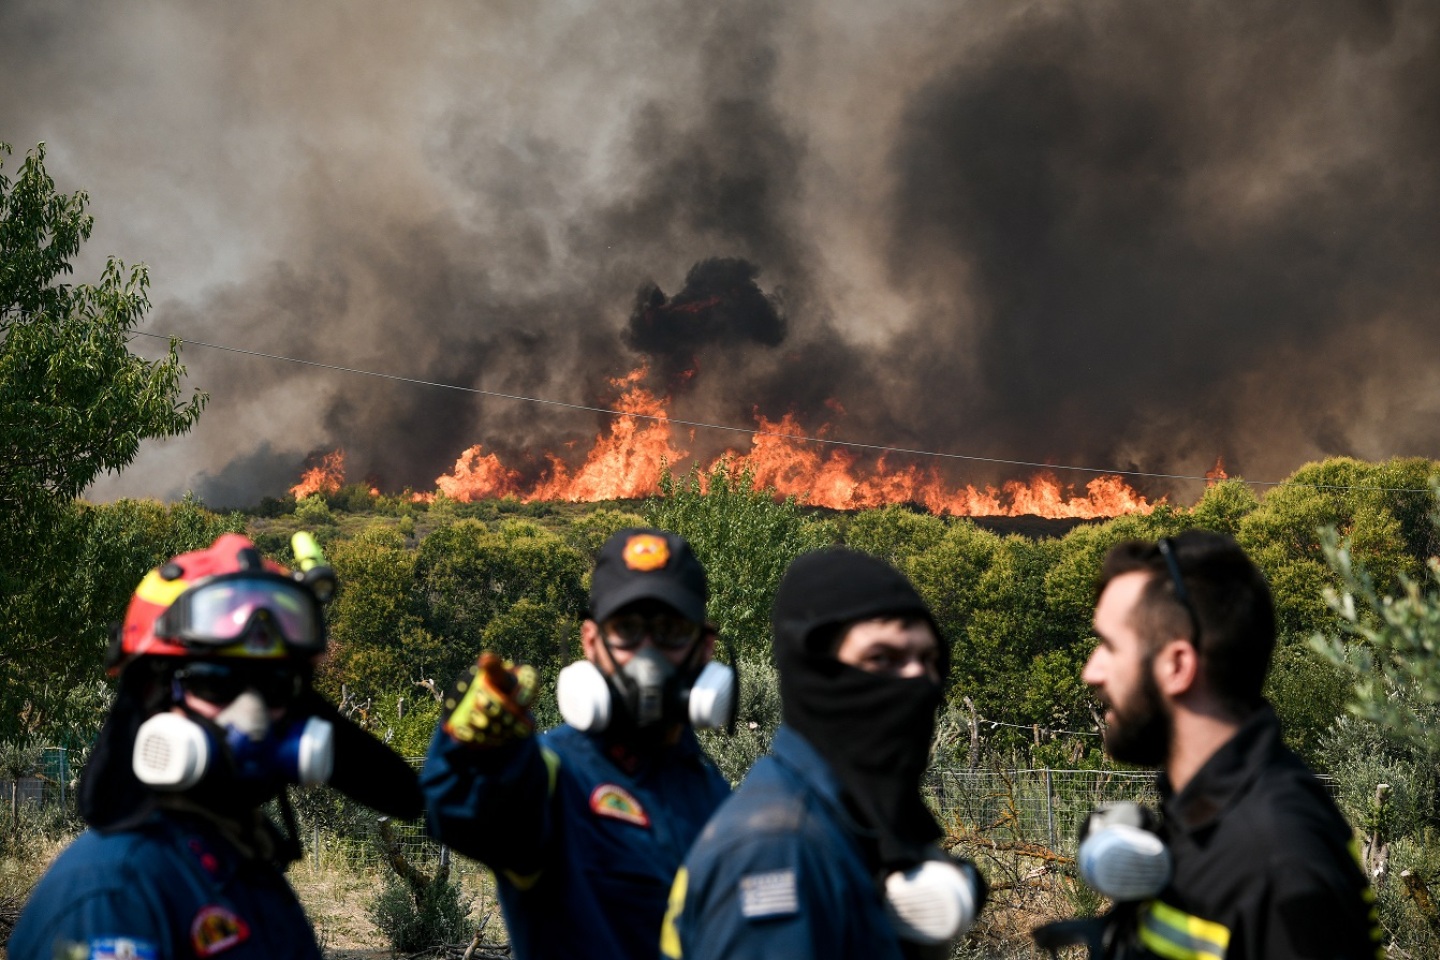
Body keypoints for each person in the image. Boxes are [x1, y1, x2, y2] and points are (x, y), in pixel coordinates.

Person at [10, 532, 423, 960]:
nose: (253, 714)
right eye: (216, 683)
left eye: (274, 686)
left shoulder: (244, 861)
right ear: (154, 694)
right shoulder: (116, 893)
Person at [1043, 530, 1381, 959]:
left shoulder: (1275, 858)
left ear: (1178, 666)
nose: (1091, 672)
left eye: (1109, 646)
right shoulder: (1207, 818)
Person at [421, 527, 735, 960]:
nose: (647, 653)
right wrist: (473, 752)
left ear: (704, 648)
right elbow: (462, 813)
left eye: (670, 629)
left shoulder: (718, 800)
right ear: (591, 642)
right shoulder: (552, 778)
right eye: (625, 629)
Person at [663, 547, 986, 960]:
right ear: (814, 671)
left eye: (928, 659)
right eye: (883, 657)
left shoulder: (851, 823)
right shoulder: (777, 849)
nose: (918, 681)